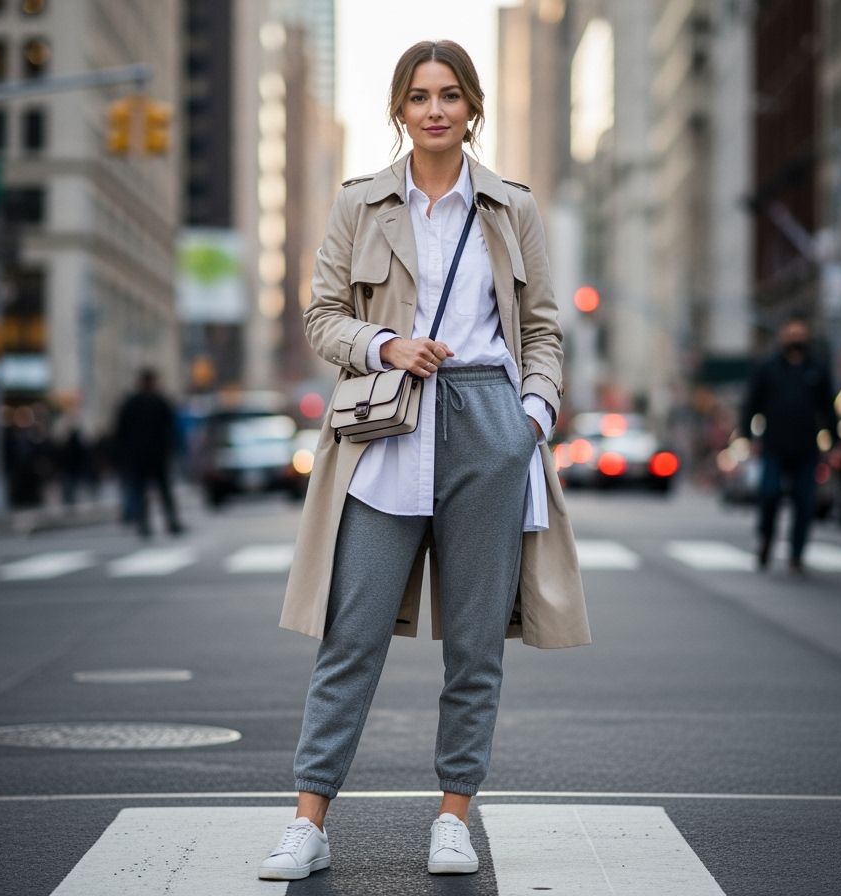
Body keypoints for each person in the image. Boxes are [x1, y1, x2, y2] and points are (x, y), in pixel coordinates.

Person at [258, 40, 590, 883]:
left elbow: (543, 326)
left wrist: (532, 415)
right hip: (389, 425)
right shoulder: (360, 205)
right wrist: (384, 344)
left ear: (472, 108)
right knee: (351, 634)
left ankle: (453, 814)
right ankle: (309, 820)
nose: (434, 109)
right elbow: (321, 315)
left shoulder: (510, 207)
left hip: (489, 419)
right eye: (418, 96)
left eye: (449, 95)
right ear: (399, 111)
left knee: (477, 642)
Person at [740, 313, 838, 574]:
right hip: (773, 446)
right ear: (782, 336)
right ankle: (766, 538)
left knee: (804, 501)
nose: (795, 337)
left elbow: (828, 409)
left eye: (799, 333)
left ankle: (796, 554)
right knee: (769, 494)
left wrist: (836, 444)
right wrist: (747, 438)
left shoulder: (818, 369)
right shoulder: (767, 368)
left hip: (806, 448)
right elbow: (751, 405)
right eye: (790, 333)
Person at [112, 368, 182, 538]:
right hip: (154, 455)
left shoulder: (131, 403)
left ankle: (147, 524)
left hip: (141, 456)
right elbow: (171, 429)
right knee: (160, 491)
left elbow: (120, 432)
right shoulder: (158, 401)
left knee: (144, 491)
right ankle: (168, 522)